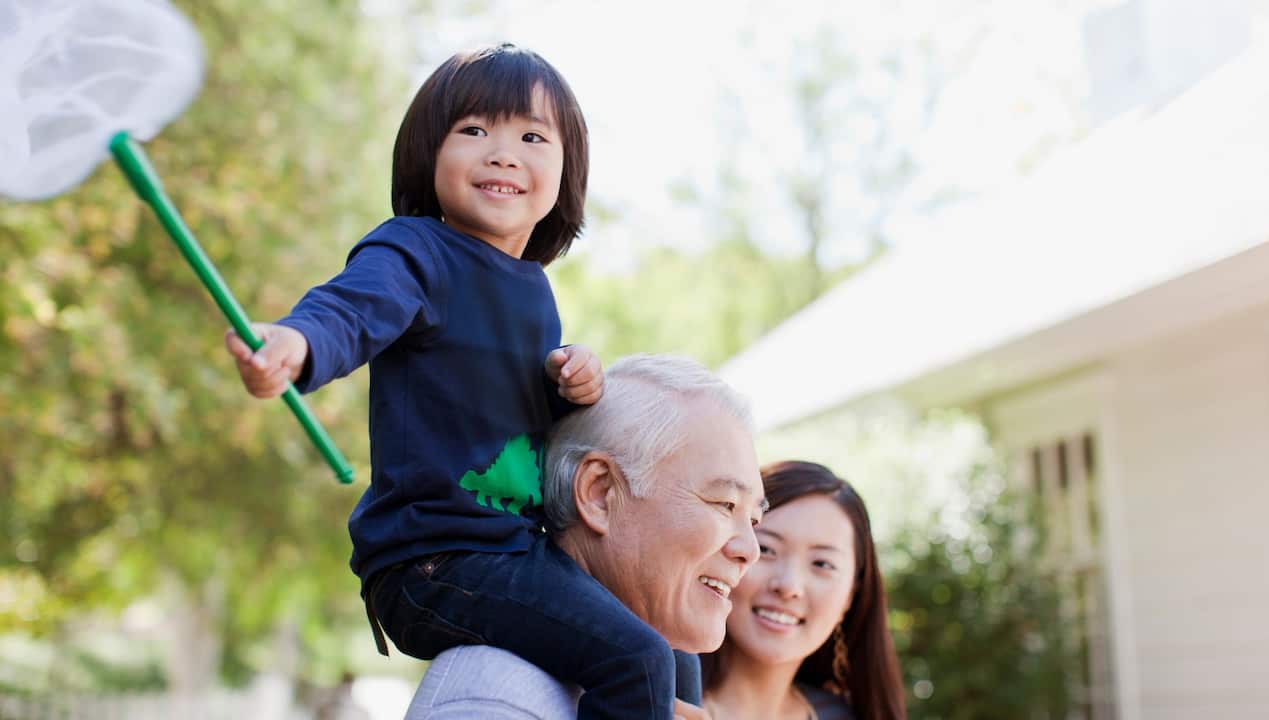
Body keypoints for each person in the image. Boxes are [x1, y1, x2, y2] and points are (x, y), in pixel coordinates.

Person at [223, 44, 683, 719]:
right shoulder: (415, 251)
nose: (502, 152)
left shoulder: (534, 290)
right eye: (473, 131)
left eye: (531, 136)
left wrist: (569, 380)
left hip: (515, 551)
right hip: (434, 562)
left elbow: (513, 421)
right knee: (636, 659)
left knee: (670, 631)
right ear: (426, 153)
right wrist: (294, 343)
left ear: (567, 169)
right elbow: (353, 308)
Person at [405, 354, 766, 719]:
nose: (750, 551)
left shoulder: (663, 676)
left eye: (753, 519)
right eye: (725, 503)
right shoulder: (495, 699)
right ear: (600, 493)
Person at [701, 461, 906, 720]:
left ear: (850, 596)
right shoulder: (655, 697)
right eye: (766, 549)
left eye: (822, 564)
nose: (788, 586)